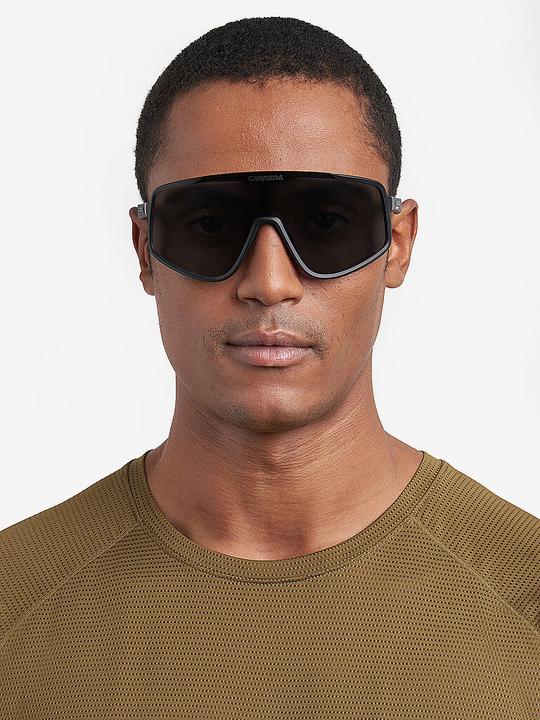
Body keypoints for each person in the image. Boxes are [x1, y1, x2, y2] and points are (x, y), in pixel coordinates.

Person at [1, 16, 538, 719]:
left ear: (398, 243)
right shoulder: (16, 601)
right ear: (144, 250)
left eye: (326, 223)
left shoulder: (524, 594)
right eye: (210, 224)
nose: (269, 282)